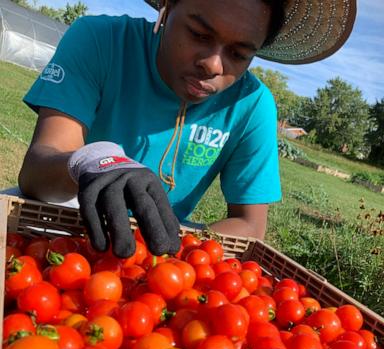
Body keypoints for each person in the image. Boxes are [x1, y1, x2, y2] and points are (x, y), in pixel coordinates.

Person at [17, 0, 356, 258]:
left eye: (238, 54)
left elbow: (250, 225)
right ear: (168, 6)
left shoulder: (252, 105)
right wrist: (91, 163)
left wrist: (177, 252)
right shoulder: (101, 41)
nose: (213, 64)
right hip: (72, 214)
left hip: (168, 240)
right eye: (198, 34)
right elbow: (37, 171)